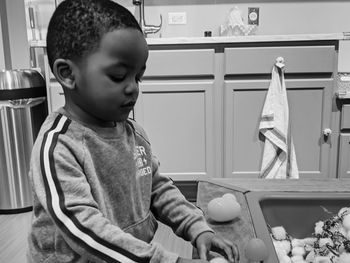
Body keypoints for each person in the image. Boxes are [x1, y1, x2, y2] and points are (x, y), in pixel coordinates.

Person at [27, 0, 239, 262]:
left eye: (138, 77)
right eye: (118, 76)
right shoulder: (57, 147)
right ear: (67, 74)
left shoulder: (134, 134)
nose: (133, 88)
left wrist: (196, 226)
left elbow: (157, 188)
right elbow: (84, 229)